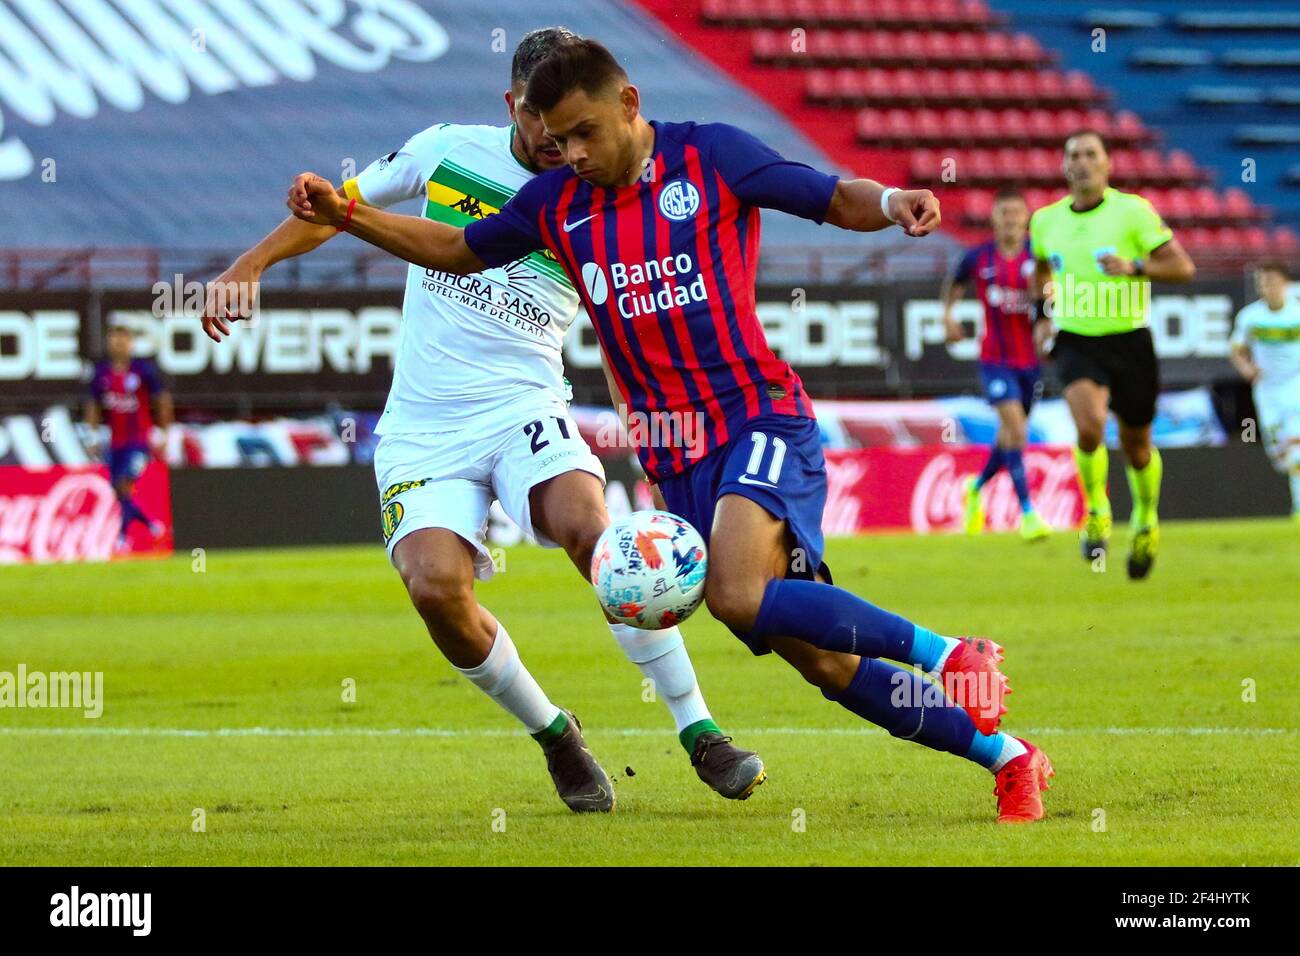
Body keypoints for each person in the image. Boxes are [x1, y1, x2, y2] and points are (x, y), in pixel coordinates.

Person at [286, 38, 1057, 823]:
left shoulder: (710, 156)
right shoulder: (556, 203)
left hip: (756, 414)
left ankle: (952, 654)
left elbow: (827, 195)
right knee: (823, 659)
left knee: (734, 594)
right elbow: (453, 248)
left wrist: (891, 201)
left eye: (585, 133)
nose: (572, 153)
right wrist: (348, 213)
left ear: (628, 104)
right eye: (558, 138)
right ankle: (1008, 757)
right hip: (676, 453)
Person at [202, 28, 764, 814]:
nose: (559, 141)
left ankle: (699, 729)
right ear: (514, 107)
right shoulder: (447, 150)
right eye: (544, 123)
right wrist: (248, 266)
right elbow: (343, 209)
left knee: (592, 535)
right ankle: (556, 736)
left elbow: (623, 312)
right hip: (425, 426)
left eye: (573, 128)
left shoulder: (594, 187)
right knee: (435, 588)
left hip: (526, 403)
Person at [1029, 130, 1196, 578]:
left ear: (1107, 164)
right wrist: (1041, 316)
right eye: (1073, 156)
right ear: (1064, 167)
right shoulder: (1045, 221)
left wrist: (1136, 267)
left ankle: (1145, 517)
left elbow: (1182, 266)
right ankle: (1097, 508)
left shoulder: (1133, 213)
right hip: (1078, 338)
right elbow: (1041, 267)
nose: (1081, 163)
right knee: (1088, 427)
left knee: (1138, 446)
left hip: (1130, 340)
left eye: (1090, 154)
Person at [941, 188, 1050, 540]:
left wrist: (1047, 324)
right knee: (1017, 431)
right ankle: (1028, 514)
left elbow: (1051, 297)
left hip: (1030, 362)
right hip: (994, 359)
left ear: (1026, 218)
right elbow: (955, 284)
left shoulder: (1040, 257)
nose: (1010, 221)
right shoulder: (980, 257)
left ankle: (976, 487)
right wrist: (948, 316)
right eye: (1004, 214)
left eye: (1016, 214)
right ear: (994, 218)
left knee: (1009, 436)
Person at [84, 324, 172, 552]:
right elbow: (93, 405)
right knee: (118, 489)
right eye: (114, 339)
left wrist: (163, 431)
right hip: (115, 443)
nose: (118, 344)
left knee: (124, 484)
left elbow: (161, 399)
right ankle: (153, 527)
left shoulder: (143, 370)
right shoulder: (102, 373)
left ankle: (124, 539)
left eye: (123, 340)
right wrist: (92, 434)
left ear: (131, 344)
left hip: (139, 441)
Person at [1229, 261, 1300, 520]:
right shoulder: (1250, 317)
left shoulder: (1297, 312)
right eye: (1261, 282)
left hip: (1296, 386)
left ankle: (1298, 510)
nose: (1265, 287)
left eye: (1270, 281)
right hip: (1267, 390)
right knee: (1279, 456)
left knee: (1297, 451)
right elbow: (1236, 349)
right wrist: (1246, 369)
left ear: (1284, 283)